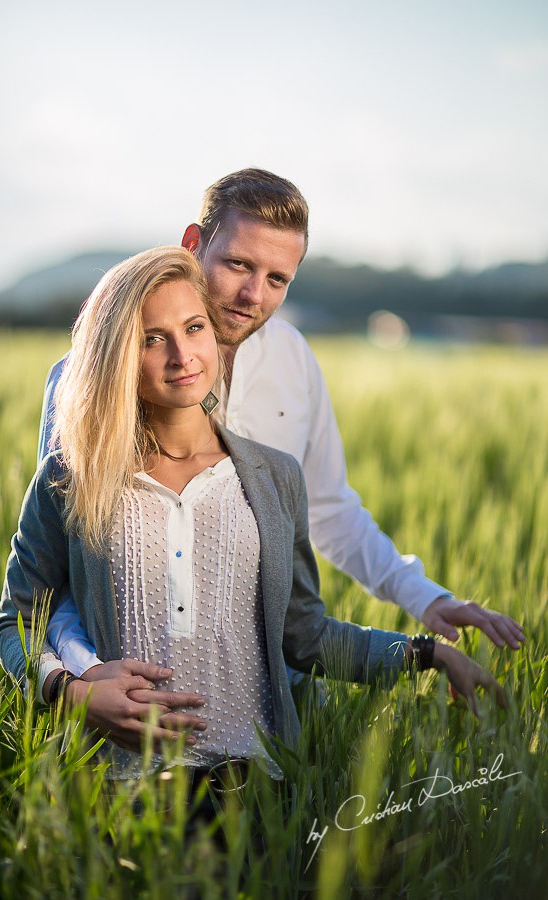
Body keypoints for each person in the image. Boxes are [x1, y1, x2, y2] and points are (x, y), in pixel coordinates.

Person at [30, 169, 523, 743]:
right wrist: (85, 683)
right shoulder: (84, 379)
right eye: (238, 265)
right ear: (193, 244)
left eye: (277, 278)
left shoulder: (293, 362)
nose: (253, 295)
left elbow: (331, 510)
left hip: (272, 714)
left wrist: (425, 601)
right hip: (131, 718)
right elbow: (64, 568)